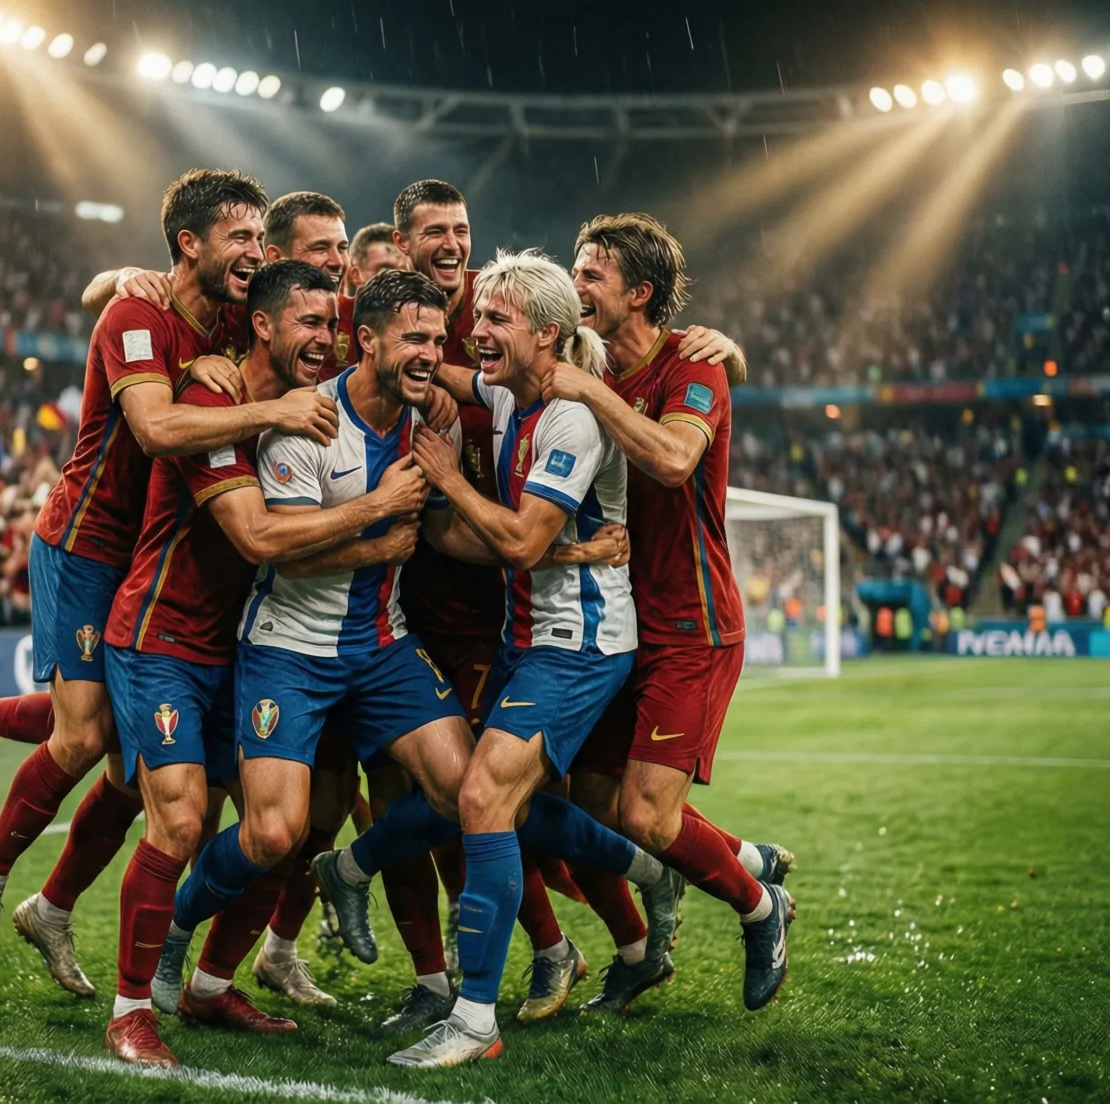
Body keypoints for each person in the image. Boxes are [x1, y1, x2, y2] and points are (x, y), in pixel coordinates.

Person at [0, 168, 342, 994]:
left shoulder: (228, 319)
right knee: (81, 738)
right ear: (190, 244)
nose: (256, 251)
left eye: (261, 238)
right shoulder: (137, 312)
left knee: (119, 758)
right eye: (241, 237)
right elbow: (151, 429)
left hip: (149, 552)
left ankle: (45, 885)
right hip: (86, 543)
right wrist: (270, 412)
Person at [104, 260, 430, 1066]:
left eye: (332, 325)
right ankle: (131, 1010)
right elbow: (256, 539)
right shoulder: (213, 403)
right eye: (308, 324)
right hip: (167, 634)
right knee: (177, 822)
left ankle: (212, 988)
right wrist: (378, 514)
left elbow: (403, 341)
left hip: (239, 643)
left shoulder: (304, 404)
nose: (324, 340)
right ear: (262, 324)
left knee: (281, 831)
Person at [360, 250, 666, 1066]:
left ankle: (473, 1020)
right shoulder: (505, 389)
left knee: (486, 796)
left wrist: (448, 481)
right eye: (480, 316)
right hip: (525, 640)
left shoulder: (573, 416)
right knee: (489, 797)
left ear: (550, 334)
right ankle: (646, 874)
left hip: (581, 644)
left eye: (496, 319)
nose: (476, 331)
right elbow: (445, 380)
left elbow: (524, 539)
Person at [547, 212, 795, 1015]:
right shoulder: (590, 361)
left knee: (647, 817)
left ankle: (762, 911)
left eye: (592, 276)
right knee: (587, 808)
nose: (577, 285)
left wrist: (588, 390)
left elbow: (675, 457)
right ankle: (736, 866)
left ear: (640, 293)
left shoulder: (693, 367)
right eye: (577, 272)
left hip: (692, 624)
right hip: (615, 626)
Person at [344, 222, 409, 296]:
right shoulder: (331, 306)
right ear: (356, 275)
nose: (398, 280)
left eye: (405, 272)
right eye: (386, 271)